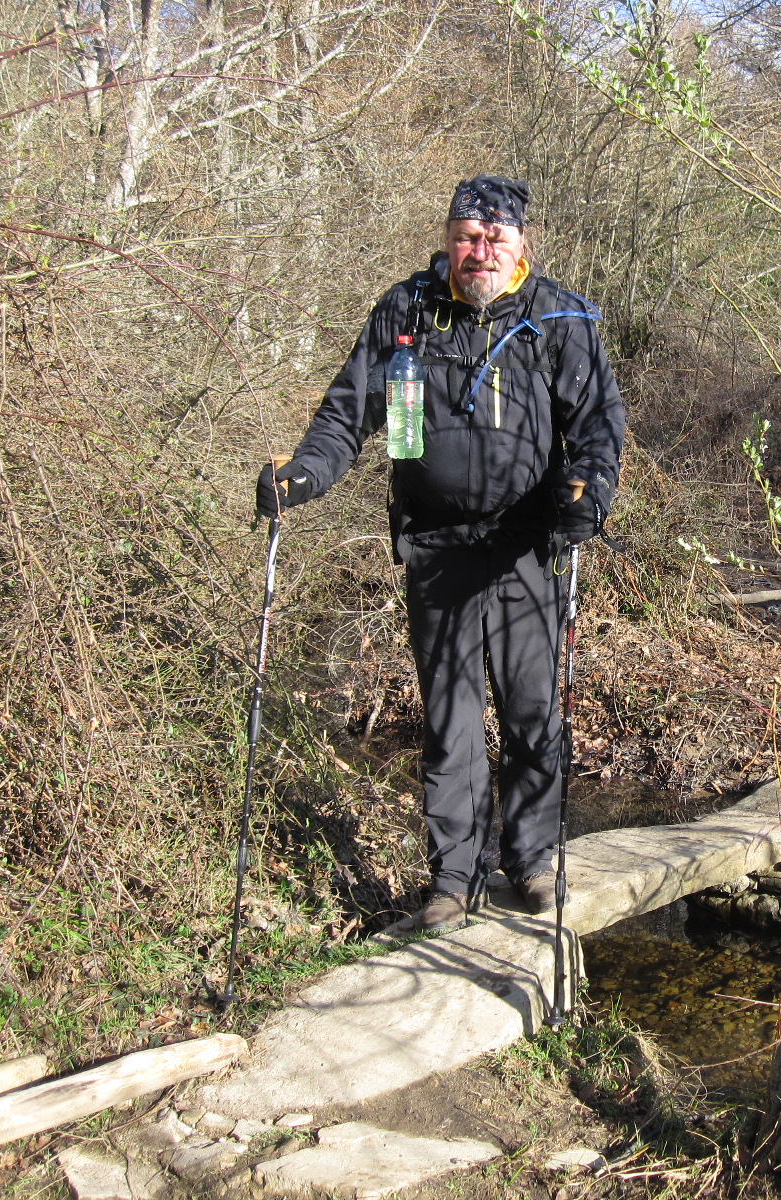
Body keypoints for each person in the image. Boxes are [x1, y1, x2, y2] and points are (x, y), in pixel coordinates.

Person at [255, 175, 625, 934]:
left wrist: (588, 494)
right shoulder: (407, 312)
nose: (479, 251)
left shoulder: (559, 318)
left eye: (494, 238)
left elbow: (598, 427)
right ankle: (454, 879)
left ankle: (531, 861)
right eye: (466, 237)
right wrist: (304, 475)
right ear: (449, 241)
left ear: (520, 244)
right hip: (435, 546)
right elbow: (346, 415)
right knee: (450, 720)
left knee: (531, 711)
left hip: (526, 548)